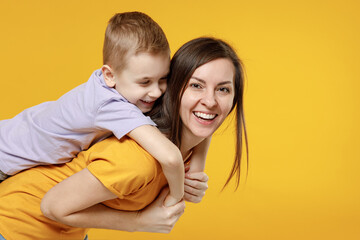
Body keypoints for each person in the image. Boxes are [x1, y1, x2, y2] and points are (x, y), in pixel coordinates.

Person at [0, 37, 248, 240]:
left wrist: (196, 170)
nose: (211, 100)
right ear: (173, 89)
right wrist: (139, 222)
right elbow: (52, 206)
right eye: (196, 85)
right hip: (13, 225)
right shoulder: (139, 159)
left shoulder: (184, 141)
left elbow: (205, 116)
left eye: (223, 89)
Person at [0, 12, 192, 206]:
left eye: (163, 79)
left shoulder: (113, 83)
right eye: (145, 82)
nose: (156, 92)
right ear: (109, 75)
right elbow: (170, 157)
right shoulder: (110, 105)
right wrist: (176, 196)